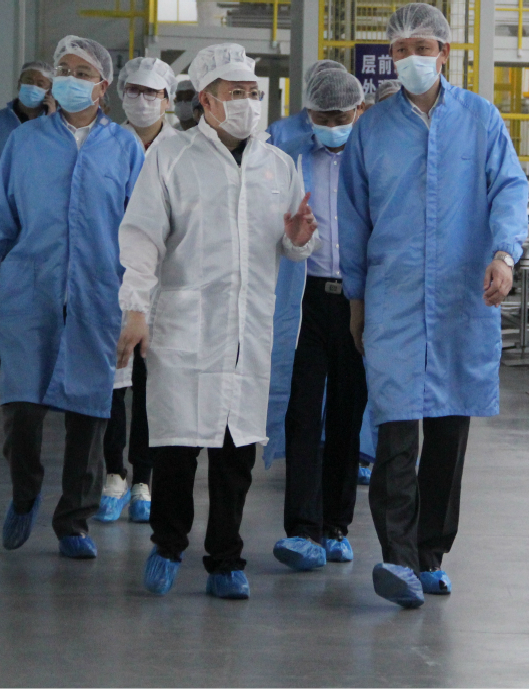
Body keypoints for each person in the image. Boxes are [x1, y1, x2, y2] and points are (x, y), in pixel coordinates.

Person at [337, 3, 528, 608]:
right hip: (392, 300)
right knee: (395, 432)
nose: (411, 59)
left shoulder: (481, 119)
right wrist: (356, 300)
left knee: (448, 433)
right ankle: (398, 560)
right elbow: (353, 219)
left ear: (444, 53)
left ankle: (431, 555)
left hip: (460, 301)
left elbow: (509, 188)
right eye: (400, 50)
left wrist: (504, 254)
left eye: (422, 48)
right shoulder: (371, 130)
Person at [116, 42, 318, 600]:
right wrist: (136, 308)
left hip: (246, 333)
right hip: (184, 330)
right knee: (176, 449)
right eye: (236, 93)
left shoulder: (278, 166)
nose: (248, 102)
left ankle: (226, 560)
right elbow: (142, 238)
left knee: (236, 455)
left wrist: (299, 240)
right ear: (205, 100)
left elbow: (292, 244)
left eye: (253, 92)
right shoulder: (172, 157)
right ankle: (168, 545)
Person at [0, 36, 144, 560]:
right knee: (22, 405)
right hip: (30, 287)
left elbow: (142, 228)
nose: (69, 79)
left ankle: (73, 521)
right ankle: (25, 494)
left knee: (90, 411)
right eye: (63, 69)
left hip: (98, 292)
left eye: (81, 72)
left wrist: (139, 299)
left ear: (102, 86)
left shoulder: (125, 148)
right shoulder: (25, 142)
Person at [265, 68, 367, 572]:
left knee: (347, 412)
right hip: (304, 298)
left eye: (340, 117)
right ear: (308, 114)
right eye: (322, 118)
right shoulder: (287, 151)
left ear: (359, 111)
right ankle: (303, 529)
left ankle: (336, 526)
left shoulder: (371, 156)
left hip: (356, 300)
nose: (331, 126)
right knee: (302, 411)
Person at [95, 56, 179, 525]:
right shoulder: (106, 144)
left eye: (153, 93)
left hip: (165, 285)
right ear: (120, 93)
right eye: (135, 91)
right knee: (114, 380)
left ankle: (144, 476)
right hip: (112, 279)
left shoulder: (182, 150)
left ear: (168, 100)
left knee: (151, 383)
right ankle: (114, 472)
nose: (144, 100)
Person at [0, 61, 55, 233]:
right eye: (28, 81)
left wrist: (51, 122)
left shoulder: (57, 126)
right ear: (19, 84)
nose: (33, 87)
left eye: (40, 83)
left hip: (41, 218)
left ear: (49, 91)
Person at [267, 59, 347, 148]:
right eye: (321, 87)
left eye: (335, 88)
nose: (329, 94)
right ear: (310, 90)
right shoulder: (278, 133)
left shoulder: (354, 133)